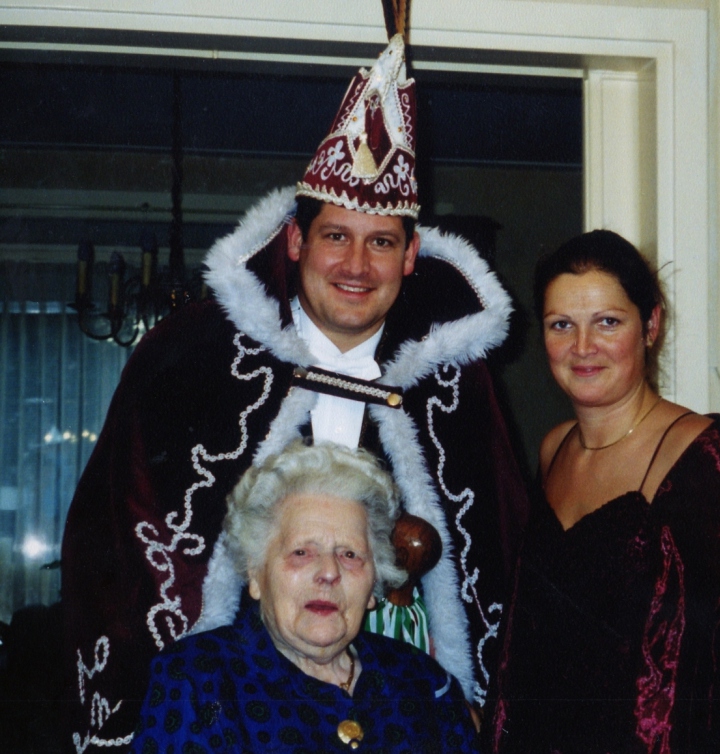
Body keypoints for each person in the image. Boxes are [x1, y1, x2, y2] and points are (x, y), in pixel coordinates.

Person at [61, 16, 528, 752]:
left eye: (381, 243)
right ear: (294, 241)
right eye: (335, 236)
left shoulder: (454, 384)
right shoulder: (191, 359)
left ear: (411, 257)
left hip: (401, 689)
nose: (356, 266)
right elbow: (120, 534)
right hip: (236, 696)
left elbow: (498, 555)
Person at [488, 230, 720, 753]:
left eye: (607, 322)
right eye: (561, 325)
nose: (582, 347)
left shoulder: (697, 453)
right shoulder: (553, 449)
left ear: (651, 325)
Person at [130, 441, 480, 753]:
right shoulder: (197, 679)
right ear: (256, 574)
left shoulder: (422, 680)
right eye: (301, 552)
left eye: (349, 554)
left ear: (374, 583)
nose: (328, 572)